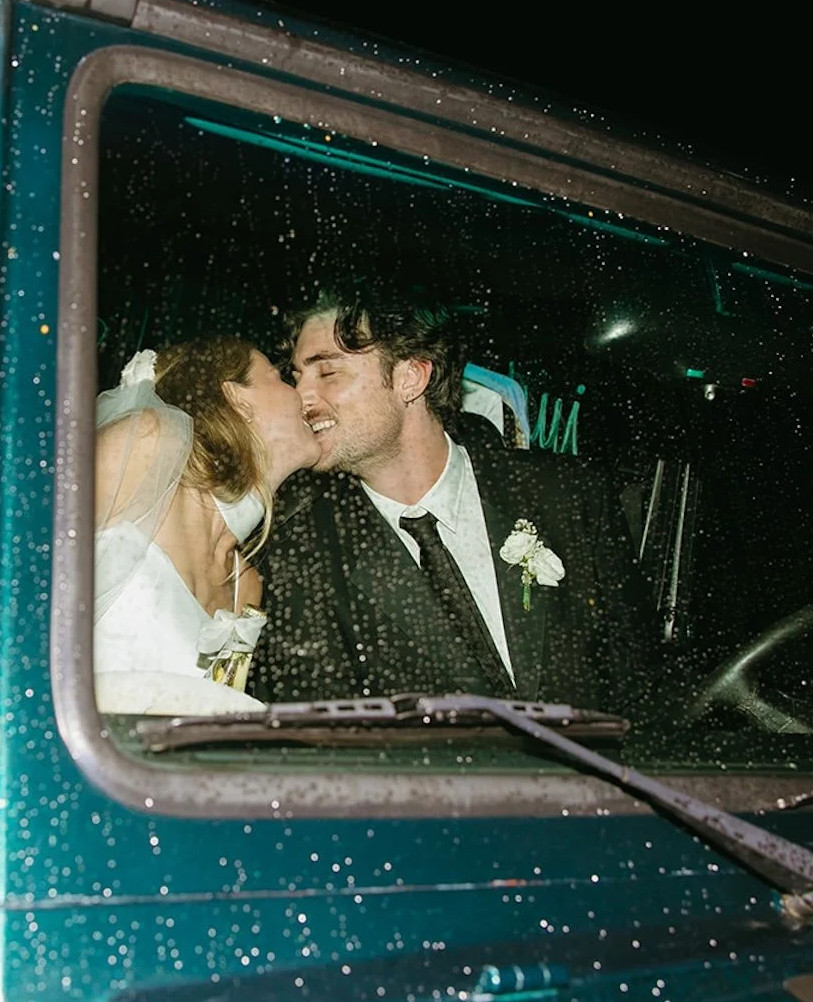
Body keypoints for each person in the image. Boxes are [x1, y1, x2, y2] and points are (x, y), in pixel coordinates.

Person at [251, 285, 651, 712]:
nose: (302, 398)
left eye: (327, 373)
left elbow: (641, 687)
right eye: (297, 377)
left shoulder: (570, 496)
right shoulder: (298, 552)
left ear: (411, 377)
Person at [92, 335, 321, 714]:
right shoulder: (147, 443)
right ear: (237, 398)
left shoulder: (245, 587)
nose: (301, 394)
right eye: (281, 377)